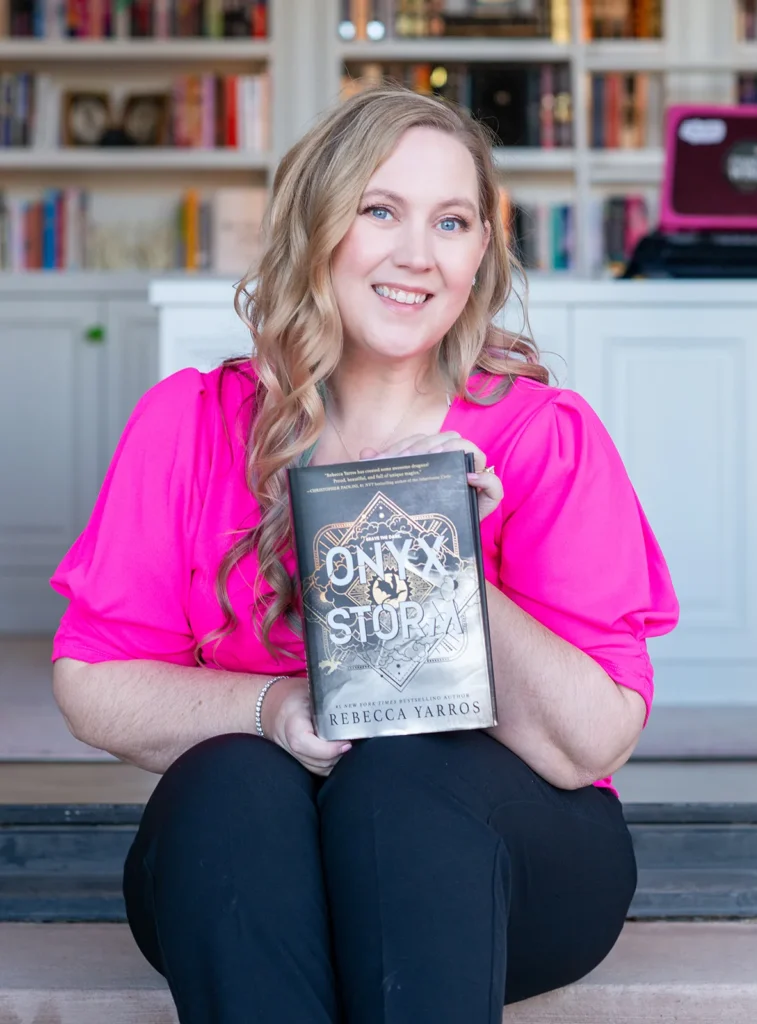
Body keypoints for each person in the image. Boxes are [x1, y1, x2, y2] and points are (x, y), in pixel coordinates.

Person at [50, 85, 679, 1024]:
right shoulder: (191, 423)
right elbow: (93, 682)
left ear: (480, 254)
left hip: (504, 868)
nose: (417, 255)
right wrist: (274, 708)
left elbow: (593, 740)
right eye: (380, 210)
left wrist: (444, 548)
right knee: (230, 777)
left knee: (402, 773)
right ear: (316, 227)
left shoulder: (544, 436)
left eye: (453, 221)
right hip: (261, 875)